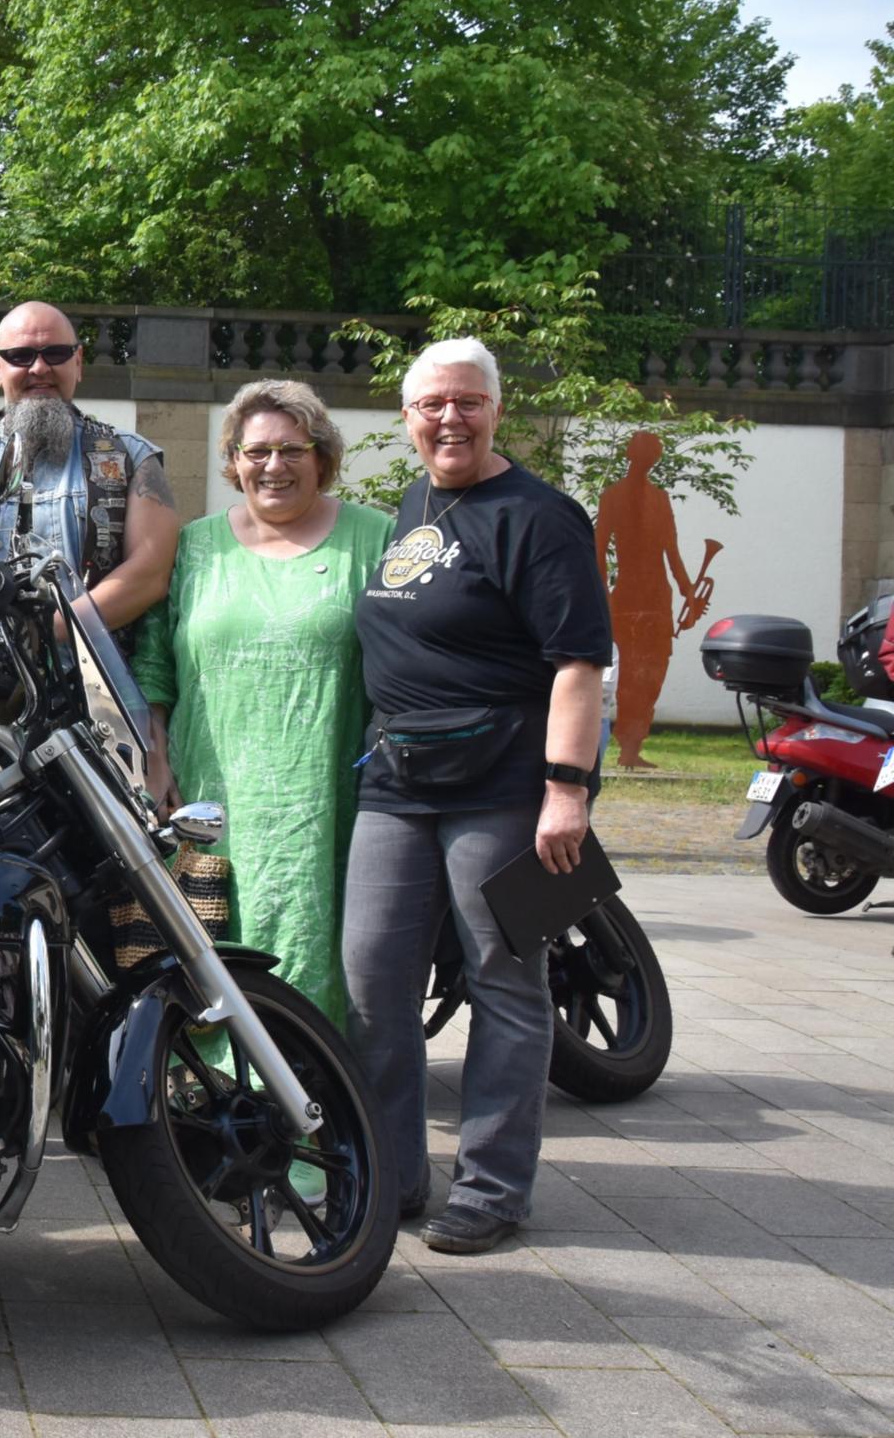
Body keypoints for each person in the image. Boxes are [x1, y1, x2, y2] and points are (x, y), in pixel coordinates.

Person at [342, 337, 612, 1255]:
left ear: (497, 409)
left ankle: (493, 1189)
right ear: (407, 415)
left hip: (505, 787)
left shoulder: (542, 517)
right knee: (373, 982)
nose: (448, 419)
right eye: (431, 405)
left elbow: (578, 665)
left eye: (466, 402)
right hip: (396, 783)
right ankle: (392, 1177)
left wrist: (567, 792)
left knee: (505, 982)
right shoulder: (418, 503)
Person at [134, 381, 392, 1030]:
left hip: (325, 801)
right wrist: (155, 759)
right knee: (210, 943)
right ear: (234, 461)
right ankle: (212, 1101)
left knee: (311, 947)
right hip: (208, 798)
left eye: (291, 449)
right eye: (256, 452)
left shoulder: (375, 539)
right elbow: (155, 665)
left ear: (322, 457)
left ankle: (313, 1100)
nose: (272, 466)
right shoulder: (195, 546)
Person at [0, 301, 179, 645]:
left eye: (55, 353)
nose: (39, 368)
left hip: (96, 682)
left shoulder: (132, 457)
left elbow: (149, 573)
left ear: (78, 362)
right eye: (20, 355)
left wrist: (47, 632)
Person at [595, 430, 712, 768]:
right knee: (631, 672)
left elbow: (671, 552)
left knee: (653, 672)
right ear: (633, 455)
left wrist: (690, 594)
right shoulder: (612, 496)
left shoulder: (659, 498)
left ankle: (632, 747)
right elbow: (599, 550)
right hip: (628, 594)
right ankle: (626, 747)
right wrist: (602, 592)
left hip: (659, 595)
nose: (648, 459)